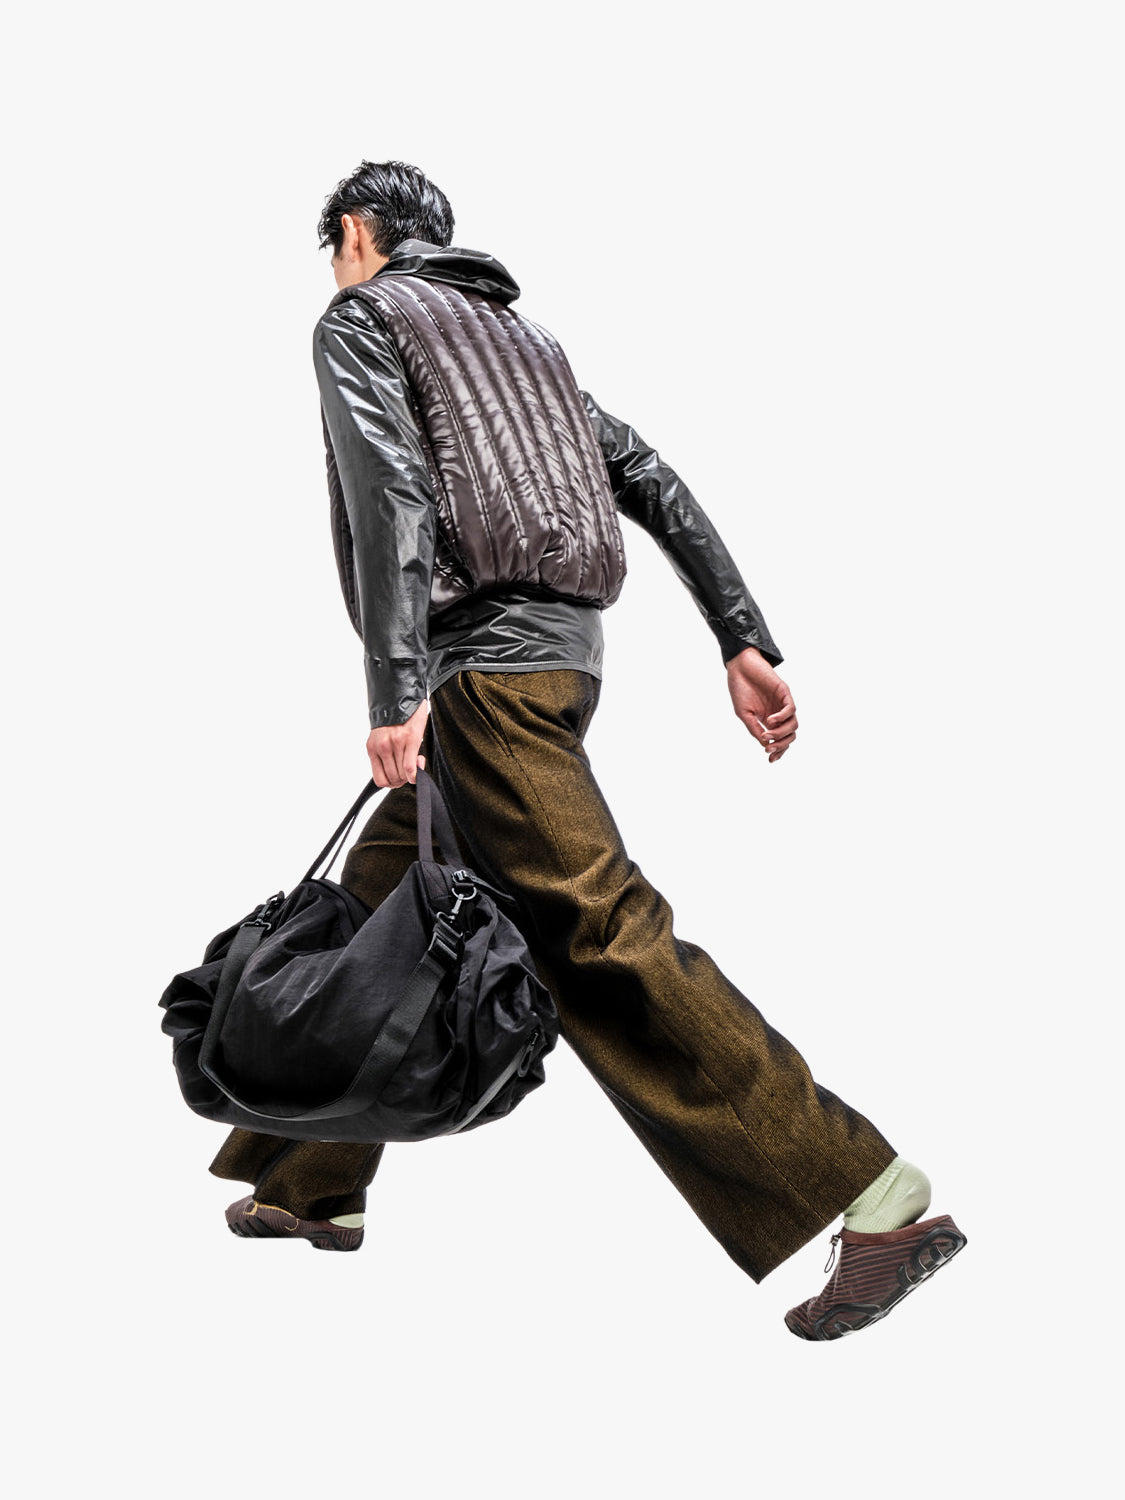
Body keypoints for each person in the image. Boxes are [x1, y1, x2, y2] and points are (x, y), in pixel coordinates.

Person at [210, 159, 966, 1340]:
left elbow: (392, 493)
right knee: (379, 907)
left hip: (479, 679)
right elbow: (651, 477)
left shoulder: (363, 319)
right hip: (562, 667)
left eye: (335, 249)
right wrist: (741, 637)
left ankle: (871, 1198)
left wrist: (397, 687)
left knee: (601, 935)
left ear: (356, 232)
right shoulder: (531, 343)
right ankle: (310, 1183)